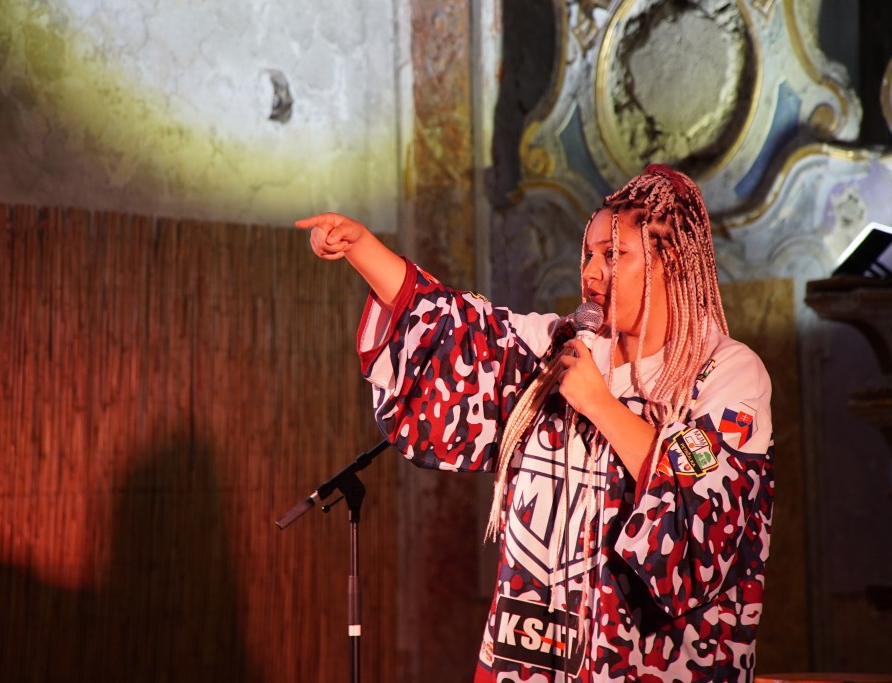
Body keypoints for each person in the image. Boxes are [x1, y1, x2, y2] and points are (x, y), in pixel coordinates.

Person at [295, 164, 774, 682]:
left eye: (613, 255)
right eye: (588, 255)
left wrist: (601, 405)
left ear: (671, 261)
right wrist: (363, 249)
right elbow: (459, 336)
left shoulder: (724, 372)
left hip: (650, 660)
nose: (591, 272)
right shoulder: (559, 352)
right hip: (537, 654)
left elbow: (706, 511)